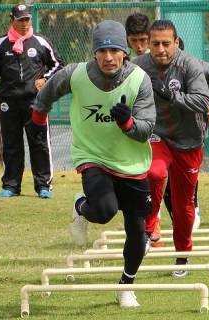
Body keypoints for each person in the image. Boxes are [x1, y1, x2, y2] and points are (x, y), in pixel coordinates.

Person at [34, 20, 156, 308]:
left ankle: (126, 286)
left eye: (114, 50)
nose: (108, 57)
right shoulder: (75, 74)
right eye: (102, 50)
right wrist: (39, 115)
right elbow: (48, 91)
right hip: (93, 157)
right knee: (103, 211)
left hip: (132, 163)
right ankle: (81, 207)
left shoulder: (140, 79)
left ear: (125, 51)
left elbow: (147, 129)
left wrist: (128, 122)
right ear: (94, 53)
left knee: (137, 232)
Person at [133, 20, 209, 278]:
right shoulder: (139, 66)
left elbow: (202, 98)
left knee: (183, 206)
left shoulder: (190, 65)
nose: (161, 49)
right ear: (148, 44)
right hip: (158, 136)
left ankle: (182, 255)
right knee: (154, 173)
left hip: (189, 141)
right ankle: (149, 228)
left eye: (166, 43)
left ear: (176, 43)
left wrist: (172, 96)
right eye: (155, 44)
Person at [0, 4, 63, 199]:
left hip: (35, 103)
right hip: (8, 103)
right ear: (13, 21)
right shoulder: (1, 43)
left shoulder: (41, 42)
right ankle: (11, 185)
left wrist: (44, 78)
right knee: (11, 144)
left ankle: (44, 185)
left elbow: (59, 65)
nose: (25, 23)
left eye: (27, 19)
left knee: (39, 143)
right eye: (21, 20)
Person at [163, 37, 209, 230]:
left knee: (186, 175)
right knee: (163, 175)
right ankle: (177, 219)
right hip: (165, 130)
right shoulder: (154, 68)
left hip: (191, 131)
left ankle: (192, 206)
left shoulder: (196, 67)